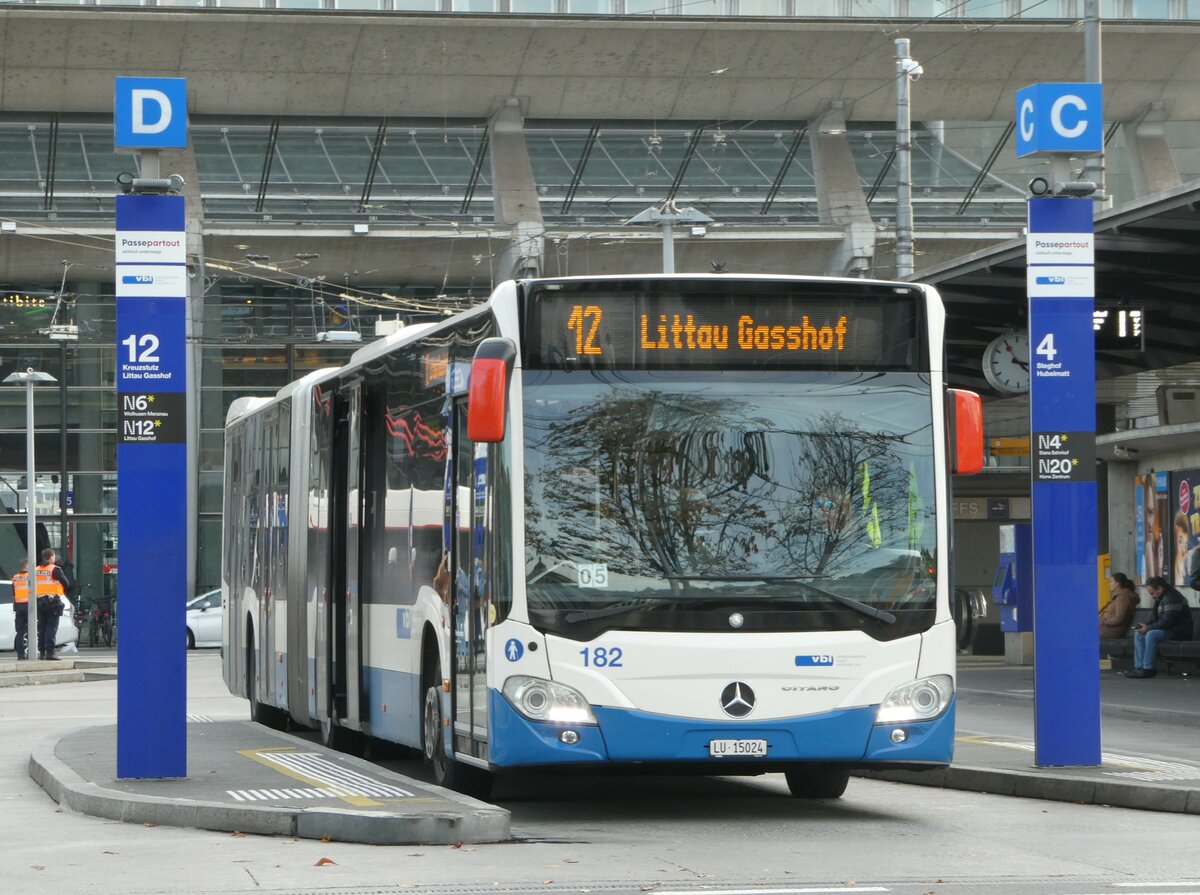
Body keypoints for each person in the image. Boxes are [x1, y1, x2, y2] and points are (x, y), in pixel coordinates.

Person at [1127, 575, 1193, 679]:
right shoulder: (1160, 597)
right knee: (1139, 633)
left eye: (1152, 593)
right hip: (1169, 629)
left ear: (1160, 588)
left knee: (1151, 634)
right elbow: (1155, 618)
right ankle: (1139, 667)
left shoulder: (1172, 598)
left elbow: (1168, 621)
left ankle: (1148, 669)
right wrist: (1145, 625)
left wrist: (1148, 628)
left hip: (1180, 631)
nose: (1151, 596)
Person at [34, 548, 70, 661]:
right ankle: (50, 653)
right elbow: (66, 583)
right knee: (51, 628)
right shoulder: (55, 569)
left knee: (42, 628)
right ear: (51, 557)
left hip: (39, 602)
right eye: (54, 556)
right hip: (52, 602)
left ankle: (41, 652)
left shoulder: (36, 570)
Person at [1100, 572, 1138, 640]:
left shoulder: (1122, 598)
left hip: (1111, 631)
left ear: (1118, 584)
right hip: (1106, 628)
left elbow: (1119, 619)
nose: (1109, 584)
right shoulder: (1119, 597)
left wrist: (1103, 621)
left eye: (1111, 582)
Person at [10, 559, 31, 660]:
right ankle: (32, 652)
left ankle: (21, 655)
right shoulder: (31, 577)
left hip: (18, 607)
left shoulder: (15, 577)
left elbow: (14, 592)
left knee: (20, 632)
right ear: (27, 566)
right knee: (32, 630)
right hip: (29, 606)